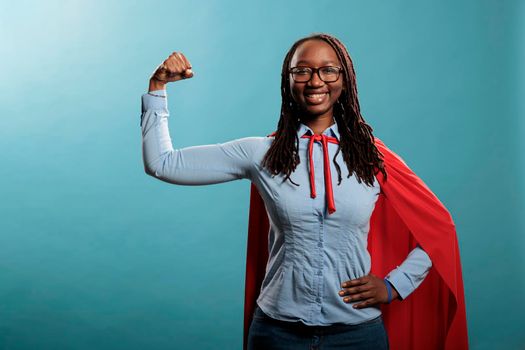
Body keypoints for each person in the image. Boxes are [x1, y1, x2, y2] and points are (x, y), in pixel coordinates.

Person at [140, 33, 468, 350]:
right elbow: (163, 163)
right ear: (288, 80)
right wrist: (158, 87)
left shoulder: (372, 157)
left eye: (327, 70)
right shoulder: (261, 153)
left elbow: (439, 230)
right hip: (276, 335)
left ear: (345, 80)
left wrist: (395, 285)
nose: (315, 81)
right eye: (302, 71)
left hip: (358, 336)